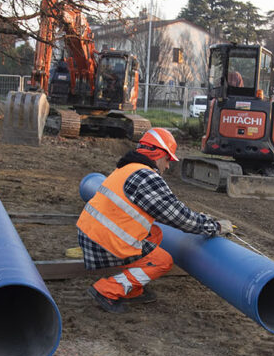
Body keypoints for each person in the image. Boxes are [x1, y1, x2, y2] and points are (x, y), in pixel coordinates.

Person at [78, 127, 234, 314]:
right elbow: (179, 217)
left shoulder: (129, 168)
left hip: (91, 234)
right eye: (168, 159)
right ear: (158, 154)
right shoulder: (146, 176)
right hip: (103, 242)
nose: (168, 166)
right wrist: (214, 226)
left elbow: (170, 208)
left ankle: (132, 289)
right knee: (163, 260)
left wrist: (199, 218)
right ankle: (108, 290)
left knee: (155, 234)